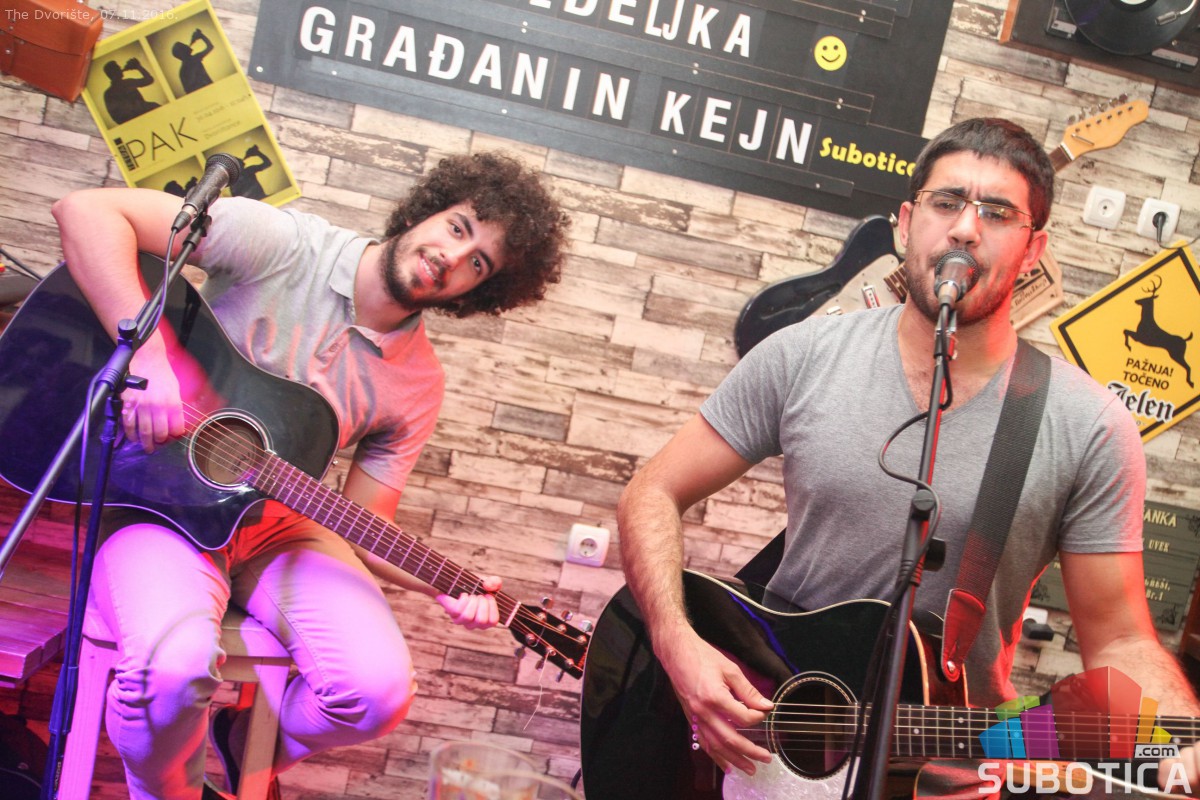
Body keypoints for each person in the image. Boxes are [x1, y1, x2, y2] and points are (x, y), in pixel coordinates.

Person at [616, 118, 1200, 795]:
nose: (965, 229)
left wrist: (1181, 738)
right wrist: (676, 642)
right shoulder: (803, 355)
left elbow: (1122, 639)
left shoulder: (1089, 425)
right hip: (772, 746)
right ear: (906, 222)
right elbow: (652, 490)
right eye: (946, 202)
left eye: (997, 213)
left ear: (1033, 249)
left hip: (946, 769)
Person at [50, 151, 570, 800]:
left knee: (377, 691)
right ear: (428, 210)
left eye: (479, 264)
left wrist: (447, 586)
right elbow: (87, 211)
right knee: (171, 672)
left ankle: (250, 741)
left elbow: (366, 524)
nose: (452, 257)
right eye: (458, 228)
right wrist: (149, 356)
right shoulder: (283, 243)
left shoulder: (417, 383)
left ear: (478, 293)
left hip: (281, 528)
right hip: (160, 505)